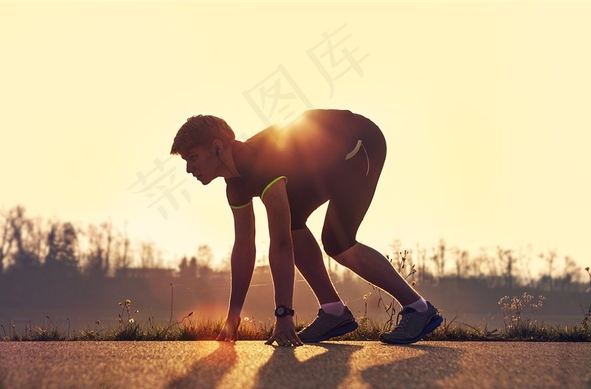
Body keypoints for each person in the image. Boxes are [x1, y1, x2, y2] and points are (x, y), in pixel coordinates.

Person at [170, 109, 443, 346]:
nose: (188, 169)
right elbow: (244, 247)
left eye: (192, 157)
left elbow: (280, 245)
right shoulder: (236, 186)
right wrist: (233, 316)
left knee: (338, 242)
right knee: (294, 225)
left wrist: (283, 314)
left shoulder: (261, 164)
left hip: (359, 143)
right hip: (322, 163)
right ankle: (334, 312)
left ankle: (418, 309)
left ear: (217, 146)